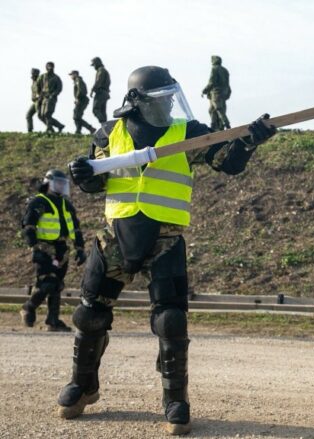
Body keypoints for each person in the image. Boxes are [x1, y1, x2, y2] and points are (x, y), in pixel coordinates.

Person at [58, 65, 276, 435]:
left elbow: (228, 163)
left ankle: (175, 398)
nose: (168, 105)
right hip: (115, 234)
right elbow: (95, 182)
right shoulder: (109, 132)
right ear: (137, 101)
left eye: (170, 98)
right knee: (89, 314)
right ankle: (83, 386)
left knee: (171, 320)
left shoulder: (189, 133)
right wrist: (84, 175)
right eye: (160, 100)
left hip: (165, 237)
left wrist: (248, 141)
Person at [20, 170, 86, 331]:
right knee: (48, 283)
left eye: (63, 184)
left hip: (62, 249)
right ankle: (28, 307)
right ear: (47, 183)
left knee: (57, 285)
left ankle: (52, 320)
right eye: (57, 183)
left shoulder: (66, 205)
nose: (61, 187)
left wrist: (79, 249)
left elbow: (75, 229)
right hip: (44, 248)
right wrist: (34, 244)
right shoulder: (39, 202)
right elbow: (28, 225)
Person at [201, 55, 231, 131]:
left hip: (216, 93)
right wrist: (228, 92)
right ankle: (214, 128)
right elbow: (227, 83)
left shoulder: (214, 69)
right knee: (212, 110)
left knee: (219, 109)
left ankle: (226, 125)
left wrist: (204, 91)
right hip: (224, 93)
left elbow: (212, 82)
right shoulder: (225, 70)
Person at [39, 61, 65, 134]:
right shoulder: (43, 76)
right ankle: (59, 125)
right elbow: (39, 85)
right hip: (44, 97)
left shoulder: (56, 78)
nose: (50, 68)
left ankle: (49, 129)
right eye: (48, 66)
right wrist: (40, 95)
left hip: (51, 98)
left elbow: (59, 88)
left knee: (47, 114)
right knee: (42, 115)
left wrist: (53, 94)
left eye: (51, 66)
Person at [69, 70, 96, 135]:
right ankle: (78, 130)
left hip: (81, 100)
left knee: (76, 117)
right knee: (77, 117)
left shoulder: (78, 81)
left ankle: (90, 128)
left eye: (72, 75)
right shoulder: (77, 81)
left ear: (75, 74)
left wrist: (77, 98)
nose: (71, 76)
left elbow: (81, 91)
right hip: (81, 100)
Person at [90, 57, 111, 123]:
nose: (94, 67)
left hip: (101, 93)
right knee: (102, 111)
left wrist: (92, 90)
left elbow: (99, 81)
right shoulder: (103, 70)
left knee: (96, 109)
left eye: (94, 64)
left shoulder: (101, 70)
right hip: (104, 93)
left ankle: (103, 124)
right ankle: (105, 127)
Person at [26, 68, 43, 133]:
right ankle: (30, 130)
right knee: (28, 115)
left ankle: (56, 126)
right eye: (32, 72)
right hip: (35, 101)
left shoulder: (40, 81)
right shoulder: (33, 80)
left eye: (33, 72)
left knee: (41, 116)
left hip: (39, 101)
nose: (32, 73)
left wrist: (39, 98)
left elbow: (43, 91)